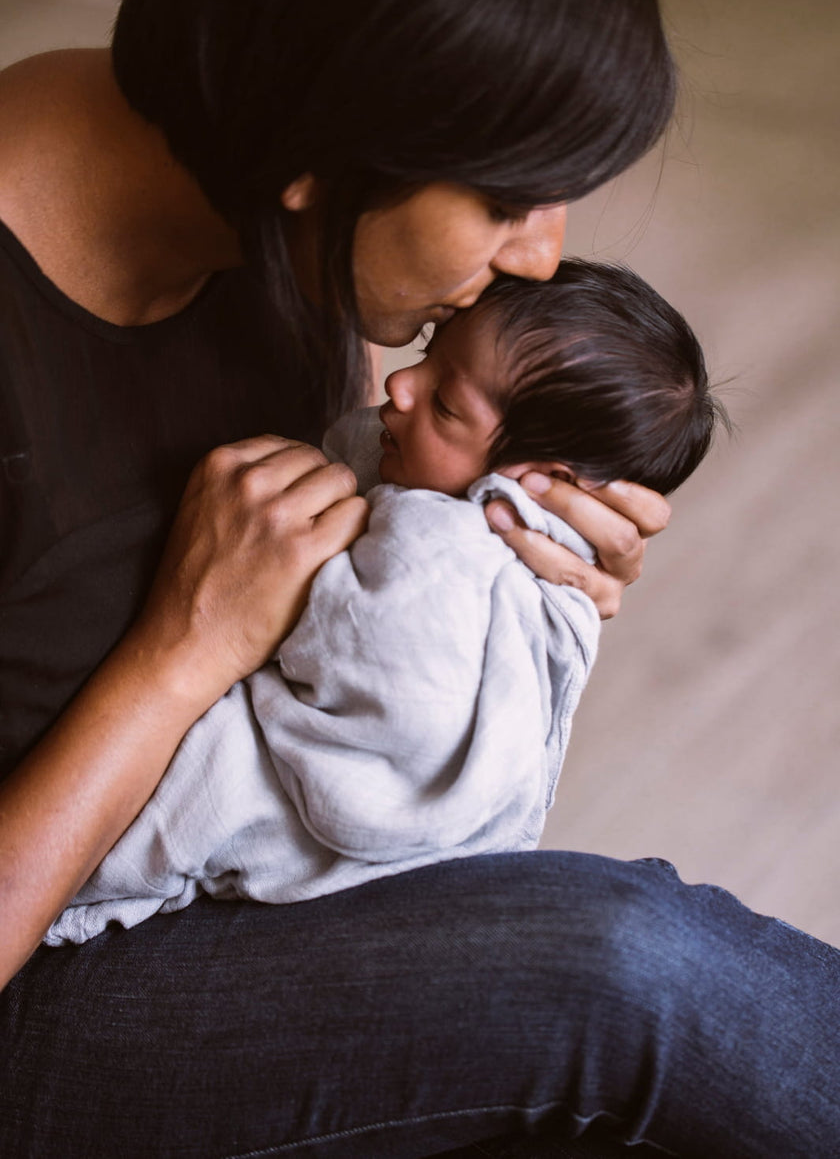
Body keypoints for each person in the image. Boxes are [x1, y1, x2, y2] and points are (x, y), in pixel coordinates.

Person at [0, 0, 837, 1156]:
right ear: (320, 155)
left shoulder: (266, 221)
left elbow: (326, 609)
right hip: (50, 982)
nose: (542, 257)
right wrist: (178, 654)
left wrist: (493, 572)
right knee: (625, 975)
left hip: (230, 888)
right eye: (508, 197)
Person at [45, 260, 724, 947]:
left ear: (538, 481)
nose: (401, 384)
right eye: (429, 357)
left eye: (446, 403)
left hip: (352, 825)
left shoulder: (440, 547)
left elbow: (376, 685)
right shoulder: (435, 482)